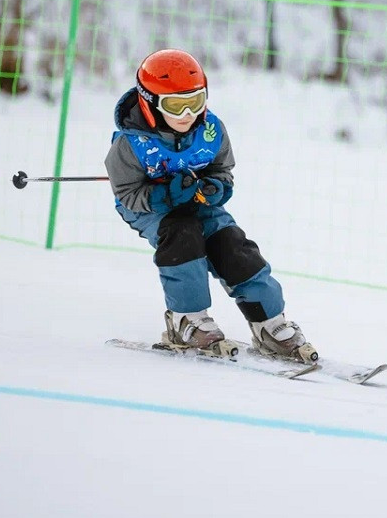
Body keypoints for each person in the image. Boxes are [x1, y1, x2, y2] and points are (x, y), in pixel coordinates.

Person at [104, 48, 317, 364]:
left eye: (196, 101)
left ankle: (269, 322)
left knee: (231, 243)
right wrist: (167, 197)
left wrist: (213, 188)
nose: (187, 113)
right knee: (182, 233)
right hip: (150, 208)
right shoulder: (130, 145)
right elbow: (128, 195)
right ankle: (187, 320)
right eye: (176, 106)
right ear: (150, 103)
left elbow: (222, 171)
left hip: (196, 200)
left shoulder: (210, 130)